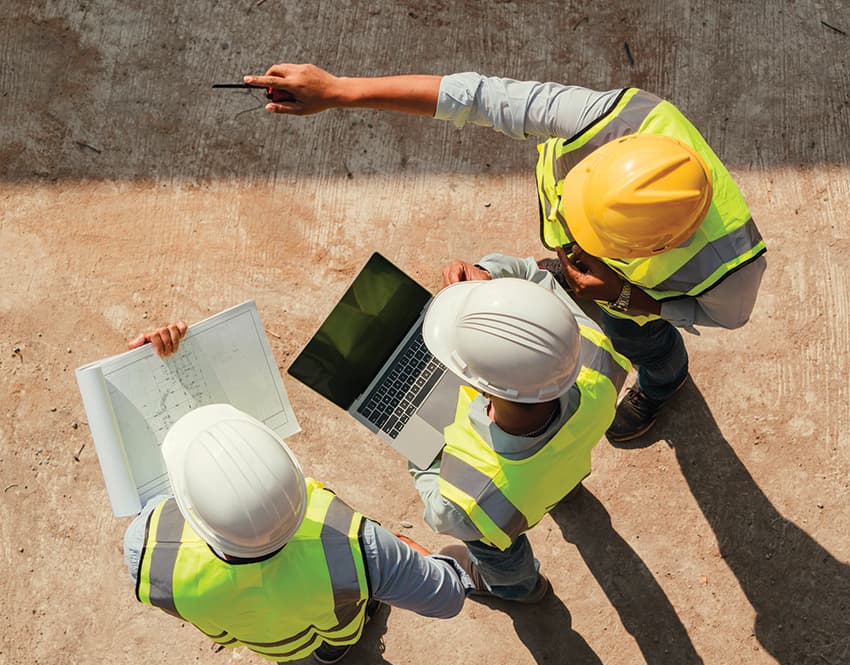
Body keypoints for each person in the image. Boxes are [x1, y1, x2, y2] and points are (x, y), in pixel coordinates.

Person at [242, 63, 767, 442]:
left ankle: (665, 381)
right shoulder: (606, 119)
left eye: (590, 240)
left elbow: (727, 318)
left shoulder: (732, 268)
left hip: (632, 303)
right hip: (611, 284)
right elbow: (477, 97)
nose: (571, 243)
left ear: (656, 246)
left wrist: (634, 300)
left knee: (645, 345)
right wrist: (340, 91)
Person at [123, 322, 471, 664]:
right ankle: (336, 646)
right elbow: (447, 596)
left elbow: (147, 494)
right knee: (339, 624)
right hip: (336, 623)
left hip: (266, 642)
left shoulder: (146, 550)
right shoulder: (359, 546)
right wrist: (394, 550)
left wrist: (144, 373)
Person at [414, 257, 630, 602]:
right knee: (554, 473)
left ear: (481, 389)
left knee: (496, 550)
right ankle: (564, 492)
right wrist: (490, 279)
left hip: (507, 508)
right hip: (559, 466)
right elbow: (538, 280)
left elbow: (440, 513)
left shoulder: (468, 501)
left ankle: (518, 588)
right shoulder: (594, 354)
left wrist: (417, 448)